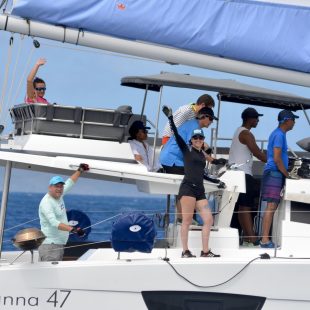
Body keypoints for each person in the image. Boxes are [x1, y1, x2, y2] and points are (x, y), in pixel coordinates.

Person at [163, 105, 220, 258]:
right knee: (187, 221)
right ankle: (185, 251)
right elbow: (175, 133)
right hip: (188, 189)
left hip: (199, 190)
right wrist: (170, 119)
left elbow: (202, 174)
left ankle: (205, 251)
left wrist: (216, 181)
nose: (198, 140)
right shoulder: (186, 151)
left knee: (208, 220)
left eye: (201, 138)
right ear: (191, 140)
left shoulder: (202, 155)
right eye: (195, 138)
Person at [160, 107, 226, 222]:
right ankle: (186, 218)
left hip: (169, 159)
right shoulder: (194, 127)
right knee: (193, 180)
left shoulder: (193, 125)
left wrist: (211, 159)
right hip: (172, 160)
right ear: (204, 116)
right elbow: (193, 149)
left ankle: (183, 218)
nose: (211, 122)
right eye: (210, 119)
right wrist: (213, 160)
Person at [260, 110, 299, 248]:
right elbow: (276, 158)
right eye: (293, 120)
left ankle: (266, 239)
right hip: (274, 173)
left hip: (275, 173)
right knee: (271, 207)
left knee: (272, 207)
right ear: (287, 120)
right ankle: (265, 240)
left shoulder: (279, 134)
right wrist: (287, 175)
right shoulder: (279, 135)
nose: (294, 122)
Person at [228, 107, 267, 246]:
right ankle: (252, 238)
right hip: (243, 174)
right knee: (245, 207)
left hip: (234, 174)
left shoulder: (237, 131)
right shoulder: (246, 134)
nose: (258, 121)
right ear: (250, 119)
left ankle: (246, 237)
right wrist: (275, 162)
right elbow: (257, 152)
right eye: (256, 118)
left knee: (239, 208)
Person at [38, 163, 90, 261]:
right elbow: (54, 223)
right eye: (56, 186)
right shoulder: (47, 203)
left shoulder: (59, 195)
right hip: (50, 246)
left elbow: (70, 182)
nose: (59, 189)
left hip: (58, 243)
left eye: (61, 186)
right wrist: (73, 230)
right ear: (50, 187)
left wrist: (80, 170)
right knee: (50, 275)